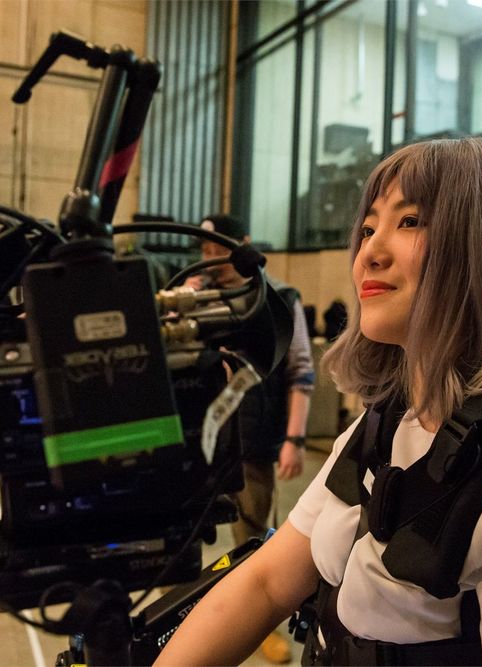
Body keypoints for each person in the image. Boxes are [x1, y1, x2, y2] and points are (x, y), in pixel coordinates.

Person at [157, 138, 482, 666]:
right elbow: (265, 583)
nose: (369, 252)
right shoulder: (388, 421)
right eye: (370, 227)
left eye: (411, 221)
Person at [194, 214, 315, 663]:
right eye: (204, 251)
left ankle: (259, 625)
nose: (210, 260)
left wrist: (295, 440)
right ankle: (185, 617)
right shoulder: (194, 297)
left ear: (242, 244)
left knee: (253, 535)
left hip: (253, 438)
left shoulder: (279, 298)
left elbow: (301, 370)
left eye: (218, 249)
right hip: (198, 442)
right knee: (186, 535)